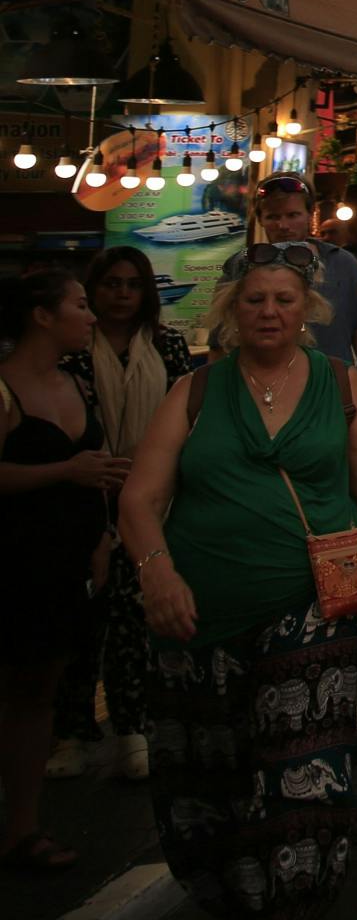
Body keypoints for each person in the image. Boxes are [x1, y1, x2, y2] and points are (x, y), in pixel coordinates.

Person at [117, 252, 357, 918]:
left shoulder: (342, 386)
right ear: (232, 310)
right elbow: (140, 500)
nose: (269, 312)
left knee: (303, 778)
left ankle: (292, 903)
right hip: (199, 614)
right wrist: (158, 572)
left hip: (312, 605)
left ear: (307, 310)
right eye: (255, 300)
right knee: (210, 781)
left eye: (284, 300)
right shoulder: (194, 390)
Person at [49, 249, 195, 783]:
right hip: (83, 495)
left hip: (151, 496)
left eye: (133, 284)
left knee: (137, 618)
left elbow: (185, 417)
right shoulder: (71, 352)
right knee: (83, 618)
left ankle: (133, 727)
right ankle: (74, 731)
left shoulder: (166, 346)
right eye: (111, 284)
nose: (121, 294)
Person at [1, 268, 126, 872]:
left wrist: (103, 534)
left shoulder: (80, 382)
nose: (92, 315)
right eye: (79, 305)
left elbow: (97, 467)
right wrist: (63, 473)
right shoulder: (4, 390)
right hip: (15, 563)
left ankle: (23, 826)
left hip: (68, 566)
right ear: (41, 316)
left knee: (38, 694)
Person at [250, 175, 357, 366]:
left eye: (293, 215)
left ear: (310, 214)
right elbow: (221, 345)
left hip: (333, 387)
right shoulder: (244, 269)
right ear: (260, 219)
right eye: (273, 217)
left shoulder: (342, 263)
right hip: (263, 389)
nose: (283, 226)